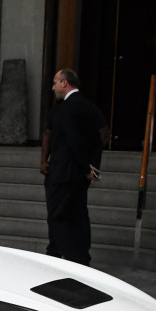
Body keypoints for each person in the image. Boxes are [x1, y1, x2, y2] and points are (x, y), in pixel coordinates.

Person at [41, 69, 107, 265]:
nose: (52, 88)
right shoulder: (89, 107)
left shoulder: (64, 108)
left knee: (58, 216)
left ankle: (65, 259)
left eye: (54, 83)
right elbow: (103, 135)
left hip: (62, 172)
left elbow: (70, 140)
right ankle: (79, 256)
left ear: (64, 83)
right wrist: (94, 165)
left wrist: (86, 167)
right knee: (78, 215)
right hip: (79, 176)